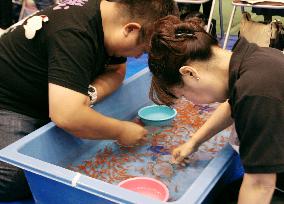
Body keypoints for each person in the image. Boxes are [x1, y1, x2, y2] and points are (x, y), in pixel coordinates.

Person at [0, 0, 178, 201]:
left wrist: (88, 94)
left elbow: (117, 71)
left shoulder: (107, 22)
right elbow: (67, 116)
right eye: (143, 51)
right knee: (22, 176)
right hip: (11, 102)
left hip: (46, 97)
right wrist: (120, 131)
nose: (138, 56)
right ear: (130, 29)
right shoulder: (74, 33)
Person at [148, 15, 284, 204]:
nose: (192, 102)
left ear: (189, 73)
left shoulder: (256, 91)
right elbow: (232, 105)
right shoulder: (250, 60)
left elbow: (260, 184)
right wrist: (194, 142)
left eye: (185, 95)